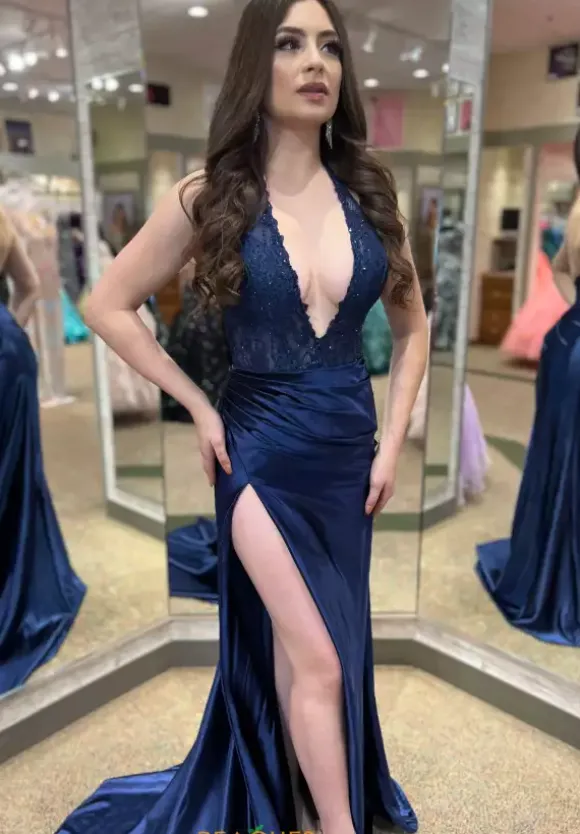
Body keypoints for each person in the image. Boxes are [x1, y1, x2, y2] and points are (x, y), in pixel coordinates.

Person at [56, 1, 427, 832]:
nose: (315, 62)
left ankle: (295, 798)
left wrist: (393, 445)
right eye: (290, 44)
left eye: (329, 47)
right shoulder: (211, 197)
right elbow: (106, 302)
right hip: (256, 449)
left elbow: (413, 330)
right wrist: (195, 403)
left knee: (311, 643)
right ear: (255, 66)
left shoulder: (371, 193)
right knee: (320, 656)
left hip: (348, 453)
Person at [476, 127, 580, 645]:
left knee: (560, 456)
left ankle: (549, 568)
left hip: (569, 341)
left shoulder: (579, 205)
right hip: (574, 350)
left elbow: (562, 269)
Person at [0, 206, 86, 695]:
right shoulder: (3, 220)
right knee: (13, 473)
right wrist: (9, 329)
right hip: (8, 354)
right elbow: (29, 287)